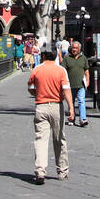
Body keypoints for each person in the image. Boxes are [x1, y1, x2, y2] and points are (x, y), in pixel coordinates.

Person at [27, 46, 74, 183]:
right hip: (56, 107)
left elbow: (30, 88)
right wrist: (71, 108)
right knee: (59, 139)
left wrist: (38, 93)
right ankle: (62, 171)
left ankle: (40, 171)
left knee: (40, 140)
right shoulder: (61, 70)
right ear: (55, 56)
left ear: (42, 56)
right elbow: (66, 90)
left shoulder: (37, 69)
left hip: (41, 107)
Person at [64, 39, 89, 127]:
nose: (74, 49)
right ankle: (72, 118)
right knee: (71, 102)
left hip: (81, 85)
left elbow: (86, 70)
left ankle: (82, 119)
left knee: (81, 101)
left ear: (79, 49)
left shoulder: (83, 58)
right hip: (70, 86)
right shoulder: (67, 58)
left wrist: (88, 81)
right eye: (73, 48)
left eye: (76, 48)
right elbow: (63, 70)